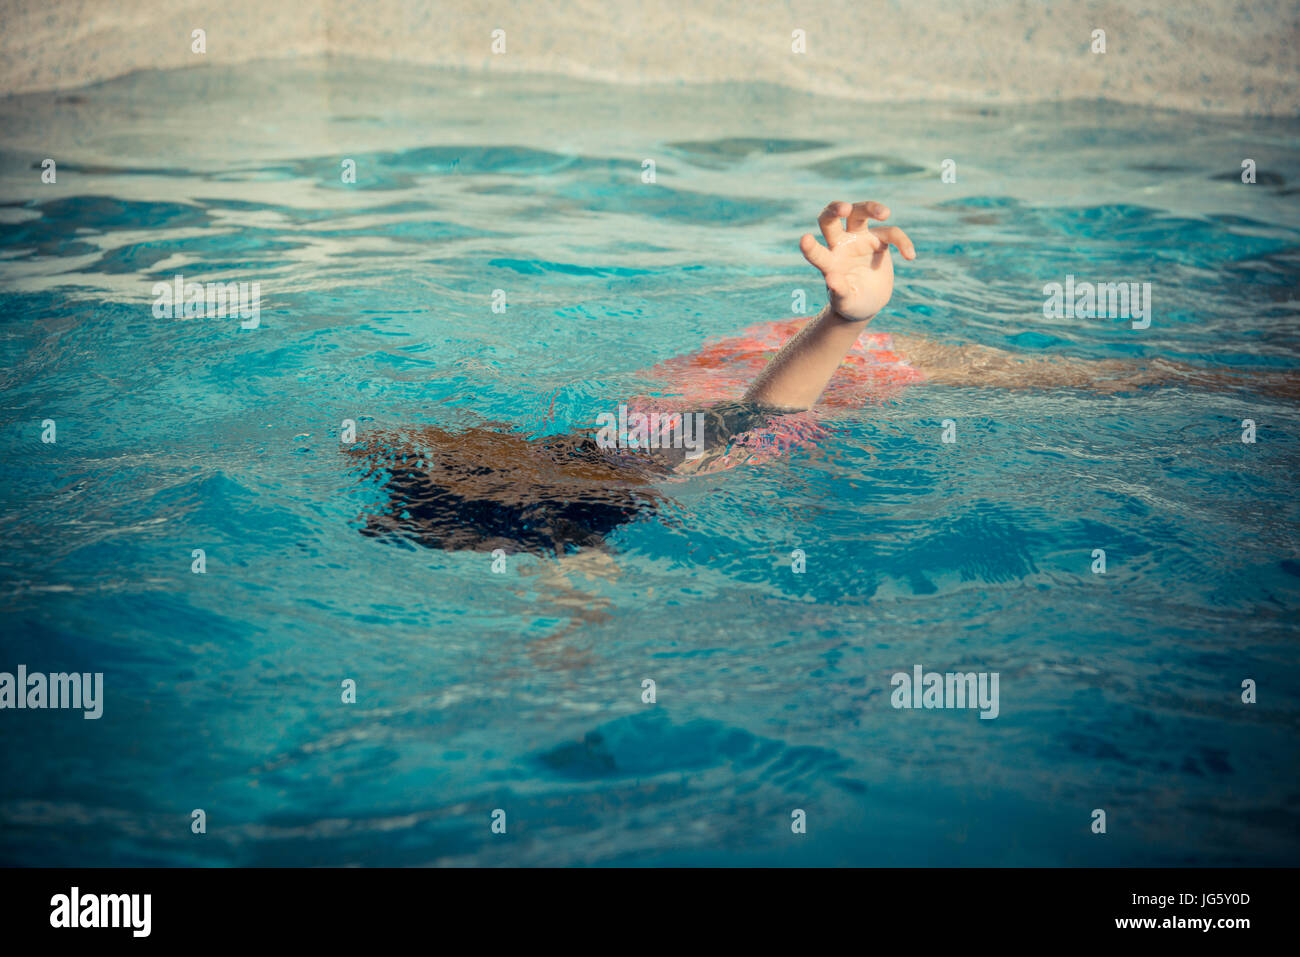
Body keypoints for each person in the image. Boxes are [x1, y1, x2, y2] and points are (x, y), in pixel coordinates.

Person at [350, 199, 1293, 557]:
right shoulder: (866, 353)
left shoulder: (899, 359)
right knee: (703, 445)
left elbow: (1115, 380)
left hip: (617, 453)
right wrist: (844, 321)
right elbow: (758, 414)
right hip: (649, 453)